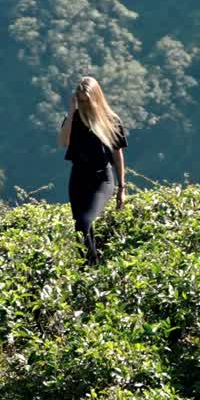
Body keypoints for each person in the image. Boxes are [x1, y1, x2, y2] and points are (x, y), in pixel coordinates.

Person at [58, 76, 127, 265]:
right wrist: (71, 112)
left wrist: (122, 188)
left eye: (86, 100)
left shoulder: (111, 121)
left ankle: (94, 265)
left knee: (84, 221)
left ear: (95, 97)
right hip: (78, 177)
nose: (83, 103)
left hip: (101, 179)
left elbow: (117, 155)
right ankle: (89, 268)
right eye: (79, 100)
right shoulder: (73, 119)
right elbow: (64, 142)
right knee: (80, 229)